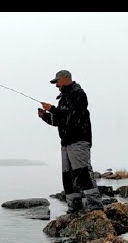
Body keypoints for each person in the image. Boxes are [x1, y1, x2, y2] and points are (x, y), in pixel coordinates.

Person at [38, 69, 104, 214]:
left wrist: (53, 109)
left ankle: (95, 207)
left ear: (66, 78)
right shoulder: (63, 98)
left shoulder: (78, 94)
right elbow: (60, 120)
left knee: (83, 172)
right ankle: (74, 207)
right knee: (68, 176)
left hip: (79, 140)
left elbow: (72, 116)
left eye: (57, 82)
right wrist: (45, 116)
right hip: (66, 143)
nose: (56, 85)